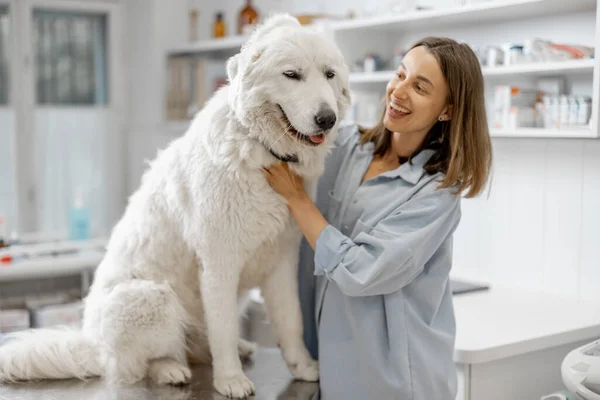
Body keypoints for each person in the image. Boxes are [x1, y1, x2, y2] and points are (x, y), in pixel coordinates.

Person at [263, 37, 492, 400]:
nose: (398, 91)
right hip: (328, 365)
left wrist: (297, 199)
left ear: (447, 110)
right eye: (400, 75)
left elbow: (362, 270)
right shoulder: (348, 146)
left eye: (419, 86)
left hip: (392, 382)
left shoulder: (435, 193)